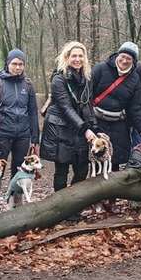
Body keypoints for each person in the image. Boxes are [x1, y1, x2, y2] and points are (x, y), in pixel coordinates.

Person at [40, 41, 98, 199]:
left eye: (80, 56)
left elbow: (87, 104)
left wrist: (94, 127)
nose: (77, 59)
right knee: (62, 170)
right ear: (67, 57)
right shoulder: (58, 79)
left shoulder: (87, 78)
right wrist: (85, 129)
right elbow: (66, 108)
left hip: (79, 128)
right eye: (74, 56)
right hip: (60, 128)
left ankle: (73, 202)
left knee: (82, 169)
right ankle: (60, 203)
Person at [90, 41, 141, 173]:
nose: (124, 61)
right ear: (117, 55)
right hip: (97, 122)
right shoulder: (100, 69)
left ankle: (112, 186)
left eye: (129, 58)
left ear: (133, 61)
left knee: (114, 162)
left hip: (118, 126)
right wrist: (90, 123)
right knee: (94, 161)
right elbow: (87, 96)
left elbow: (135, 108)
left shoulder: (135, 79)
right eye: (122, 56)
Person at [0, 49, 40, 190]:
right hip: (2, 134)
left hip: (23, 135)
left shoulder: (28, 85)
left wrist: (35, 138)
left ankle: (15, 200)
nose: (18, 67)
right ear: (7, 64)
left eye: (21, 64)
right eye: (14, 64)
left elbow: (33, 112)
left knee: (19, 171)